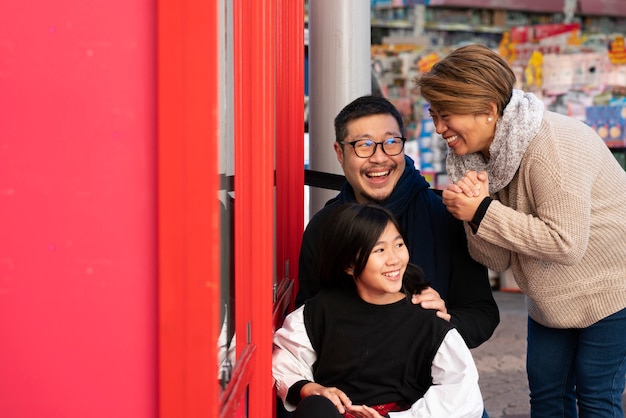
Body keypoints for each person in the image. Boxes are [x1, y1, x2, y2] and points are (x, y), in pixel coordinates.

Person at [415, 43, 626, 417]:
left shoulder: (552, 146)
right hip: (550, 297)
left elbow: (565, 243)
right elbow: (496, 258)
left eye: (447, 115)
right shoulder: (471, 159)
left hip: (612, 289)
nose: (439, 128)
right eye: (434, 115)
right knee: (545, 397)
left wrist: (482, 209)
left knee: (596, 397)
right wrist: (474, 217)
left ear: (488, 110)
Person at [297, 95, 499, 349]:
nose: (379, 158)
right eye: (364, 145)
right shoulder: (325, 227)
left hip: (430, 380)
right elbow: (304, 321)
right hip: (347, 379)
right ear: (340, 152)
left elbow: (482, 314)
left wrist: (444, 321)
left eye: (391, 142)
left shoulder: (445, 217)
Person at [273, 202, 484, 418]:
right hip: (336, 414)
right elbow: (285, 359)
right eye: (380, 250)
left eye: (399, 245)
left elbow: (462, 393)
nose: (394, 259)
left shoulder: (427, 320)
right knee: (315, 407)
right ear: (349, 265)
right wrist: (311, 389)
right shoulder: (320, 310)